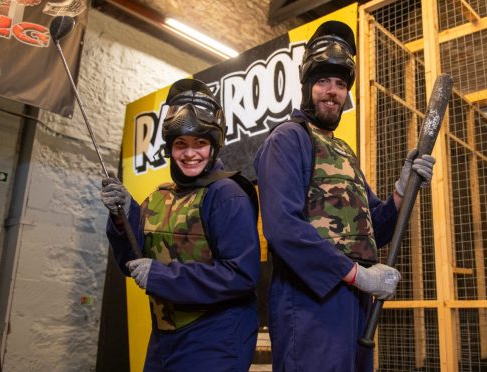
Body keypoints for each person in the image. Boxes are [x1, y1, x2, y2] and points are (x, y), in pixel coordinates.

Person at [253, 21, 436, 371]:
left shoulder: (341, 150)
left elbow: (374, 230)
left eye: (340, 83)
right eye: (323, 81)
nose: (332, 91)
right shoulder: (288, 139)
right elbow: (283, 228)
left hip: (353, 301)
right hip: (310, 302)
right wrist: (357, 274)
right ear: (307, 86)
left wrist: (402, 190)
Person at [101, 78, 261, 371]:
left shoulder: (226, 194)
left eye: (200, 143)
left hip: (216, 338)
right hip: (165, 338)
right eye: (180, 144)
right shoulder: (161, 197)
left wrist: (161, 277)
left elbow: (242, 274)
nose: (190, 154)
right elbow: (131, 263)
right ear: (169, 148)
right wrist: (122, 217)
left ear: (214, 146)